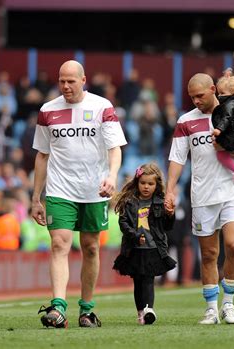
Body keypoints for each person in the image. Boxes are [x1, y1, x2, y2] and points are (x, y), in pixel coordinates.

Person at [32, 60, 127, 328]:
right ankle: (58, 307)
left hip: (94, 189)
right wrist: (35, 197)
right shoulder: (47, 110)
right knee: (60, 244)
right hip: (60, 190)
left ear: (83, 80)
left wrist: (111, 176)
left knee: (91, 246)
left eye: (71, 81)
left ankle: (86, 309)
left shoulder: (102, 107)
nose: (65, 86)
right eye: (61, 80)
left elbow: (115, 148)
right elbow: (42, 155)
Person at [165, 73, 234, 325]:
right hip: (202, 195)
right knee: (208, 254)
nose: (196, 101)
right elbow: (177, 158)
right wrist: (170, 190)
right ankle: (210, 309)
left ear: (213, 89)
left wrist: (227, 147)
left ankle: (228, 304)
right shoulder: (185, 121)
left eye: (200, 95)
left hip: (233, 190)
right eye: (192, 97)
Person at [113, 163, 176, 325]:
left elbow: (167, 227)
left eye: (150, 184)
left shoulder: (160, 202)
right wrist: (134, 236)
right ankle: (140, 312)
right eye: (143, 183)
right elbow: (123, 222)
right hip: (134, 248)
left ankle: (149, 309)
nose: (146, 187)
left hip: (153, 248)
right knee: (138, 281)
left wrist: (170, 214)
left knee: (148, 279)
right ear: (137, 183)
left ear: (157, 185)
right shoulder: (130, 202)